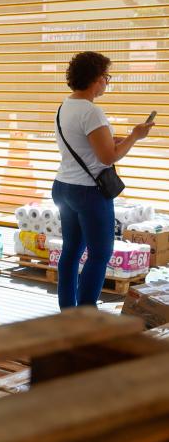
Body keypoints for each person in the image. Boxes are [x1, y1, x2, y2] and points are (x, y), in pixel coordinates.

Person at [53, 51, 153, 309]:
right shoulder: (92, 111)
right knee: (100, 254)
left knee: (72, 252)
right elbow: (108, 157)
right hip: (88, 193)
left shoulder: (65, 106)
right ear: (96, 78)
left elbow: (86, 145)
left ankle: (67, 310)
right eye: (106, 77)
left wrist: (115, 140)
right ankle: (86, 313)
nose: (107, 82)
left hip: (64, 187)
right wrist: (134, 136)